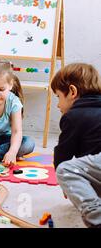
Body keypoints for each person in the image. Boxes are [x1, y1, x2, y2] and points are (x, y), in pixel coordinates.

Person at [50, 63, 101, 228]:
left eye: (58, 97)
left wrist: (64, 182)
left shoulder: (73, 116)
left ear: (72, 92)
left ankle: (97, 217)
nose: (58, 105)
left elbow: (62, 154)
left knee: (66, 169)